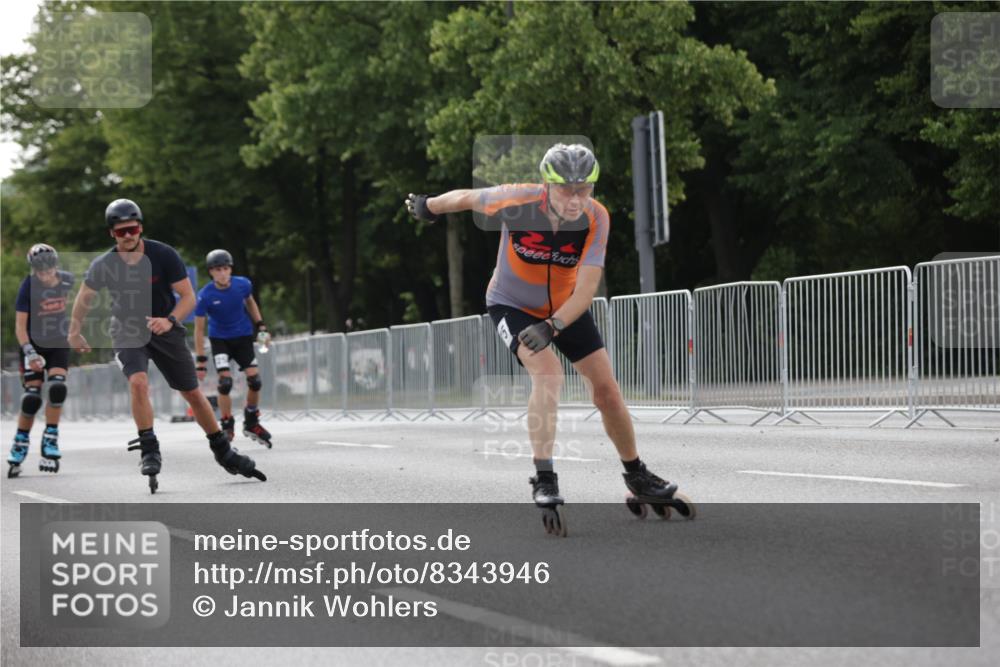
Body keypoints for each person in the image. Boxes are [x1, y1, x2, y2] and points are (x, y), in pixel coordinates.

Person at [406, 143, 693, 534]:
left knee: (607, 390)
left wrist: (554, 325)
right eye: (566, 190)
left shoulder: (596, 219)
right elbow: (467, 198)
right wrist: (429, 206)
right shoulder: (517, 200)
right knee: (549, 374)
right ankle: (544, 478)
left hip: (565, 309)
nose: (576, 199)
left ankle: (636, 474)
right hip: (511, 304)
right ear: (546, 185)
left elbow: (587, 289)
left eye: (584, 189)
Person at [68, 198, 266, 493]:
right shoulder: (104, 264)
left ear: (141, 228)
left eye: (132, 229)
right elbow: (84, 297)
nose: (128, 236)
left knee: (193, 394)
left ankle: (223, 451)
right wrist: (74, 331)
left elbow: (189, 297)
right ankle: (149, 447)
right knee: (138, 382)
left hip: (165, 327)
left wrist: (170, 319)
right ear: (112, 233)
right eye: (120, 232)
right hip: (127, 330)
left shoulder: (163, 255)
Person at [193, 248, 272, 447]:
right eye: (217, 269)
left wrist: (261, 326)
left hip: (243, 337)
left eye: (226, 269)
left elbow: (251, 303)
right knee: (225, 383)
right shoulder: (205, 295)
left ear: (230, 269)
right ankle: (227, 424)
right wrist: (201, 360)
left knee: (255, 381)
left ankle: (252, 421)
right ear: (211, 272)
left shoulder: (243, 284)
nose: (222, 273)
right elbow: (199, 329)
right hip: (220, 340)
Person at [8, 244, 74, 477]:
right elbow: (19, 327)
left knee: (57, 388)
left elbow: (84, 303)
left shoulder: (67, 281)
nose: (45, 275)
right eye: (39, 270)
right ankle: (20, 441)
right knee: (32, 398)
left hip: (57, 343)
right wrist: (30, 353)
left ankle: (50, 438)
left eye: (48, 269)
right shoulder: (28, 287)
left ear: (56, 266)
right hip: (33, 344)